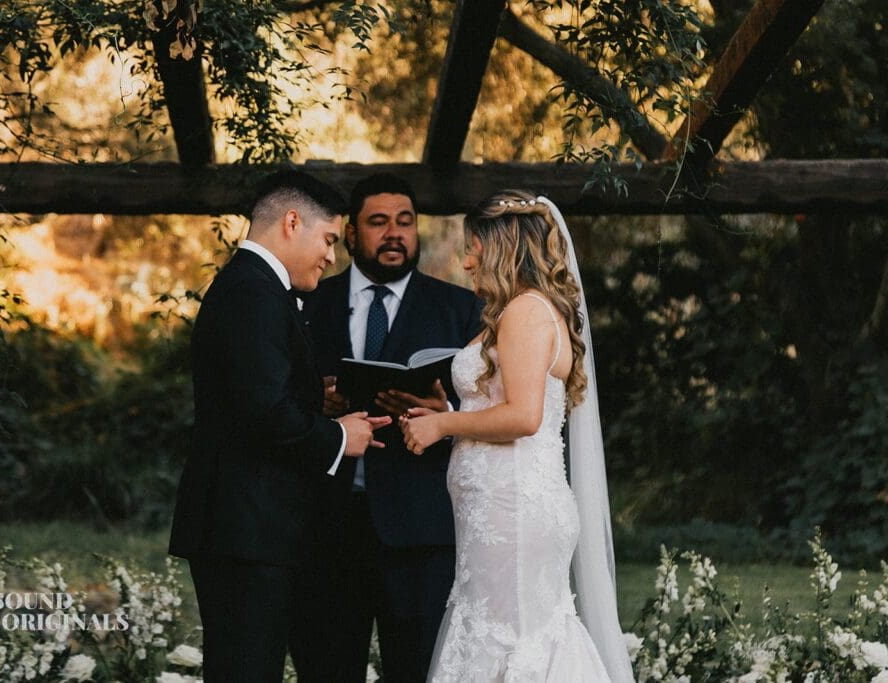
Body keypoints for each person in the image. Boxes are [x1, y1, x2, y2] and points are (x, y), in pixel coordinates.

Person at [399, 190, 635, 682]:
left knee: (514, 639)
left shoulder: (527, 311)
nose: (465, 263)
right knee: (500, 631)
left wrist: (443, 425)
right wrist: (445, 411)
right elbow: (502, 406)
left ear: (503, 248)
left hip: (515, 513)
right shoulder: (515, 312)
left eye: (474, 250)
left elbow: (524, 417)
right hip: (500, 510)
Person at [168, 170, 391, 683]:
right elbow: (265, 415)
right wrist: (342, 436)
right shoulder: (252, 293)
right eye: (329, 239)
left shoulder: (256, 287)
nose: (332, 257)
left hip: (250, 527)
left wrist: (318, 398)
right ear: (292, 222)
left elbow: (250, 396)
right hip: (244, 529)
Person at [292, 174, 482, 682]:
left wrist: (445, 408)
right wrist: (320, 401)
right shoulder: (309, 302)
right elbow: (277, 396)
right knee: (326, 670)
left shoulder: (461, 309)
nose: (394, 233)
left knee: (417, 670)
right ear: (351, 234)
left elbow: (489, 406)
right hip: (327, 528)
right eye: (378, 223)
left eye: (405, 222)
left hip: (420, 531)